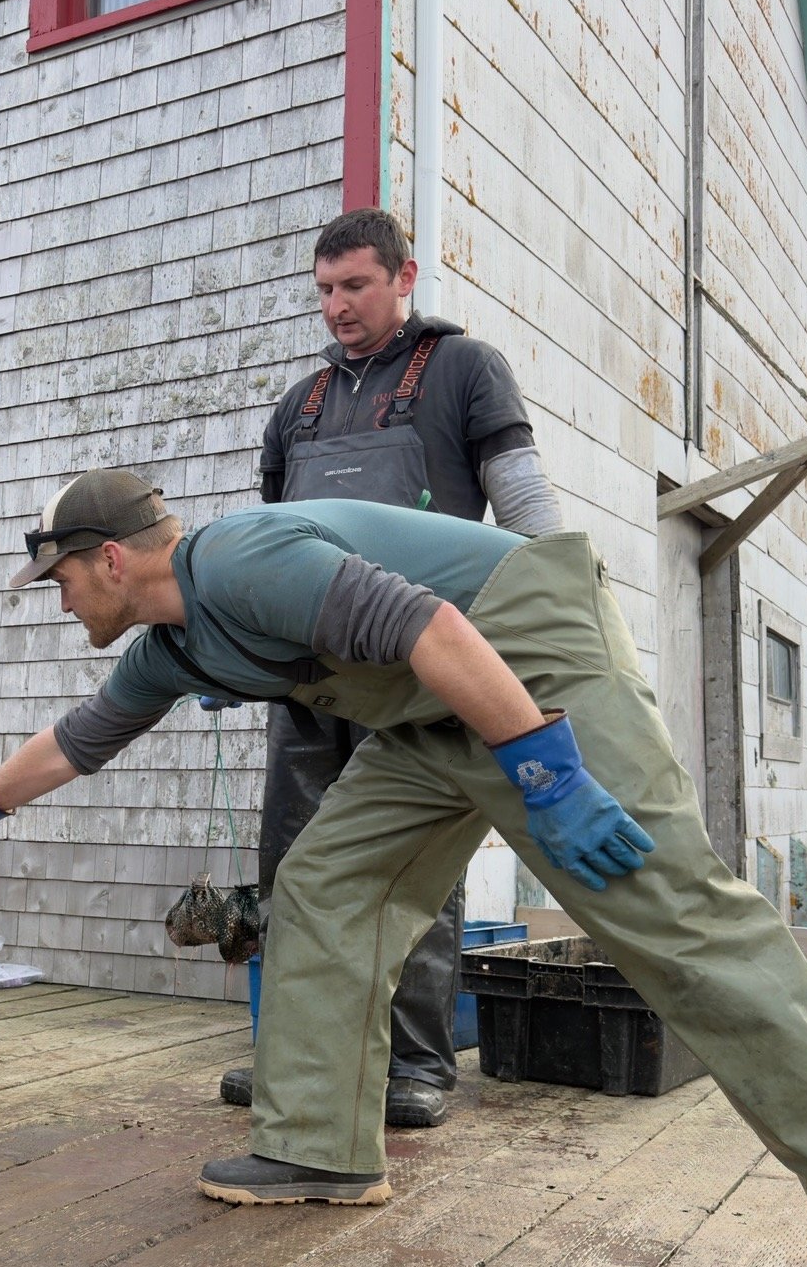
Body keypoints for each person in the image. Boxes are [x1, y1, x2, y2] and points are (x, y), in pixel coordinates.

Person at [0, 470, 807, 1267]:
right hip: (427, 712)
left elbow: (436, 629)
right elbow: (80, 740)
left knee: (660, 905)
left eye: (59, 579)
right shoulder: (173, 648)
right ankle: (317, 1146)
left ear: (112, 559)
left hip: (525, 651)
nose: (57, 600)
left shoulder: (245, 558)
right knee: (326, 884)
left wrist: (548, 772)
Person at [221, 207, 568, 1129]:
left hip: (420, 669)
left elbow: (524, 502)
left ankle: (416, 1062)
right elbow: (270, 544)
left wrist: (562, 606)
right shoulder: (298, 406)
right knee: (295, 864)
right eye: (325, 290)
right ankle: (296, 1055)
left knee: (412, 864)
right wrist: (243, 651)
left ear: (404, 278)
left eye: (356, 285)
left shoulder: (463, 369)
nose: (337, 306)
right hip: (310, 674)